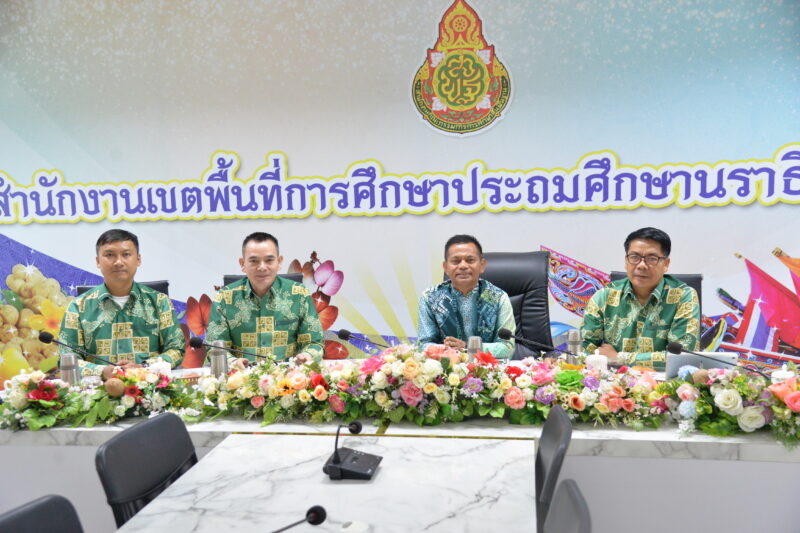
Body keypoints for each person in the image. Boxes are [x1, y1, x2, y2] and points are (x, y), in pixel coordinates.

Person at [57, 229, 185, 376]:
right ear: (98, 261)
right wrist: (102, 371)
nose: (118, 262)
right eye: (110, 255)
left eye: (126, 254)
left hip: (150, 386)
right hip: (98, 387)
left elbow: (176, 349)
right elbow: (66, 358)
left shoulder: (159, 302)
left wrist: (144, 367)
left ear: (138, 259)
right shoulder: (78, 307)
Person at [580, 227, 700, 369]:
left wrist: (619, 358)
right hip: (614, 380)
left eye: (652, 258)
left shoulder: (683, 297)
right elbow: (585, 350)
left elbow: (682, 356)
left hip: (664, 380)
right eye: (634, 257)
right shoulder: (604, 297)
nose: (642, 265)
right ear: (626, 261)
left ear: (666, 264)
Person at [205, 232, 324, 366]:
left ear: (279, 262)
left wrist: (307, 355)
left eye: (269, 260)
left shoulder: (299, 294)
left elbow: (315, 343)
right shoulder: (224, 297)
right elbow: (214, 347)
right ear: (242, 264)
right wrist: (233, 362)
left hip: (288, 376)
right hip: (241, 375)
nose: (262, 267)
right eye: (254, 261)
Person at [417, 235, 515, 359]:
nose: (463, 266)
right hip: (447, 367)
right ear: (445, 267)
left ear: (482, 265)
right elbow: (424, 344)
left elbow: (507, 348)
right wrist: (449, 351)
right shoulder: (430, 298)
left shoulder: (498, 297)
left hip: (487, 368)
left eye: (470, 260)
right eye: (456, 261)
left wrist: (468, 347)